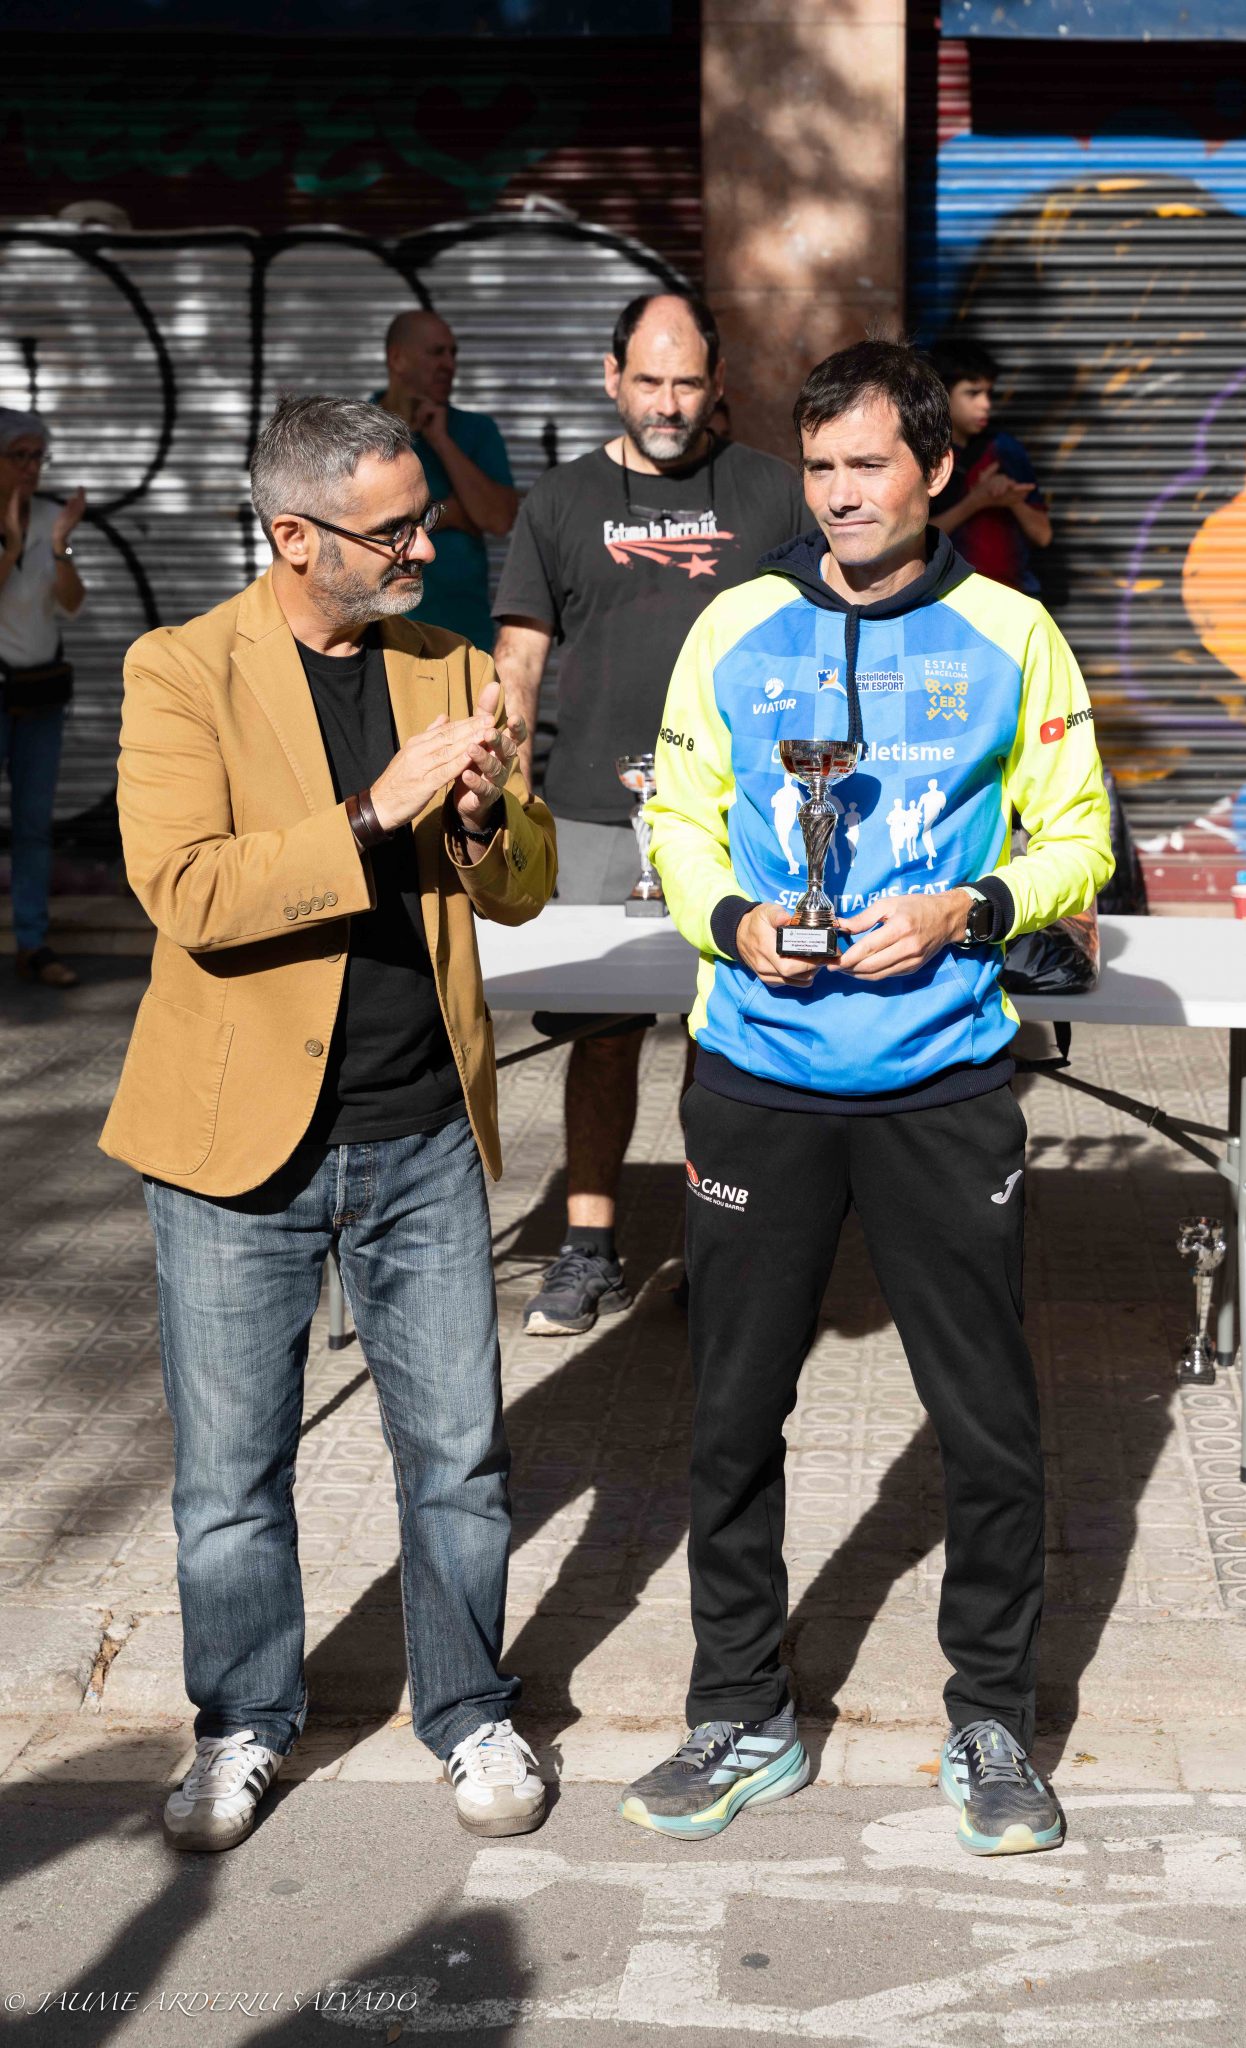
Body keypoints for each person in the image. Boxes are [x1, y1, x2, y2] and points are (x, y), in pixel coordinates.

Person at [625, 341, 1112, 1855]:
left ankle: (992, 1722)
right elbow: (681, 816)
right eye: (819, 468)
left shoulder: (1011, 633)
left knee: (986, 1422)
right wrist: (729, 920)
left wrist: (970, 907)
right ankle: (741, 1711)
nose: (839, 496)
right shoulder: (734, 624)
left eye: (869, 467)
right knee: (730, 1415)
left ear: (936, 470)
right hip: (756, 1078)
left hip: (940, 1084)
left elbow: (1080, 837)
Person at [99, 395, 556, 1853]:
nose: (425, 545)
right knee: (233, 1477)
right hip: (238, 1144)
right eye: (394, 529)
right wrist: (373, 812)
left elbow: (524, 886)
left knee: (460, 1458)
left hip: (422, 1128)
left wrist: (477, 823)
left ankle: (468, 1708)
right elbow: (189, 891)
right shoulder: (179, 670)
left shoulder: (453, 664)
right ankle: (242, 1721)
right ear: (294, 537)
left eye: (424, 516)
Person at [493, 291, 807, 1337]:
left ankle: (724, 1252)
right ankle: (588, 1250)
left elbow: (823, 635)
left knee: (732, 1036)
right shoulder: (560, 500)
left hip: (742, 817)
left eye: (686, 382)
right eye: (647, 381)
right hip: (593, 813)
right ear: (610, 376)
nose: (667, 403)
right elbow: (519, 660)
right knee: (603, 1039)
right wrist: (507, 806)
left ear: (717, 384)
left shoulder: (771, 491)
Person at [0, 407, 87, 987]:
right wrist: (10, 546)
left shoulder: (54, 517)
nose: (32, 467)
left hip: (39, 695)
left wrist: (58, 546)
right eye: (19, 456)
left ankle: (32, 943)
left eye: (38, 456)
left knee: (33, 826)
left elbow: (72, 604)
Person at [376, 310, 517, 650]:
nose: (449, 365)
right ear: (397, 359)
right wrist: (454, 513)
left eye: (453, 353)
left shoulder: (477, 431)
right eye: (436, 352)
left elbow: (499, 519)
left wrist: (440, 440)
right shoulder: (360, 429)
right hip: (379, 637)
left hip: (463, 639)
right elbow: (354, 520)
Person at [928, 338, 1052, 595]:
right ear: (942, 395)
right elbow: (917, 540)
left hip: (1013, 597)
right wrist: (977, 500)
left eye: (989, 393)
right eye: (973, 393)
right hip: (949, 599)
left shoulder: (1004, 450)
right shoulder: (924, 454)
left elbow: (1043, 535)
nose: (986, 404)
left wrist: (1010, 498)